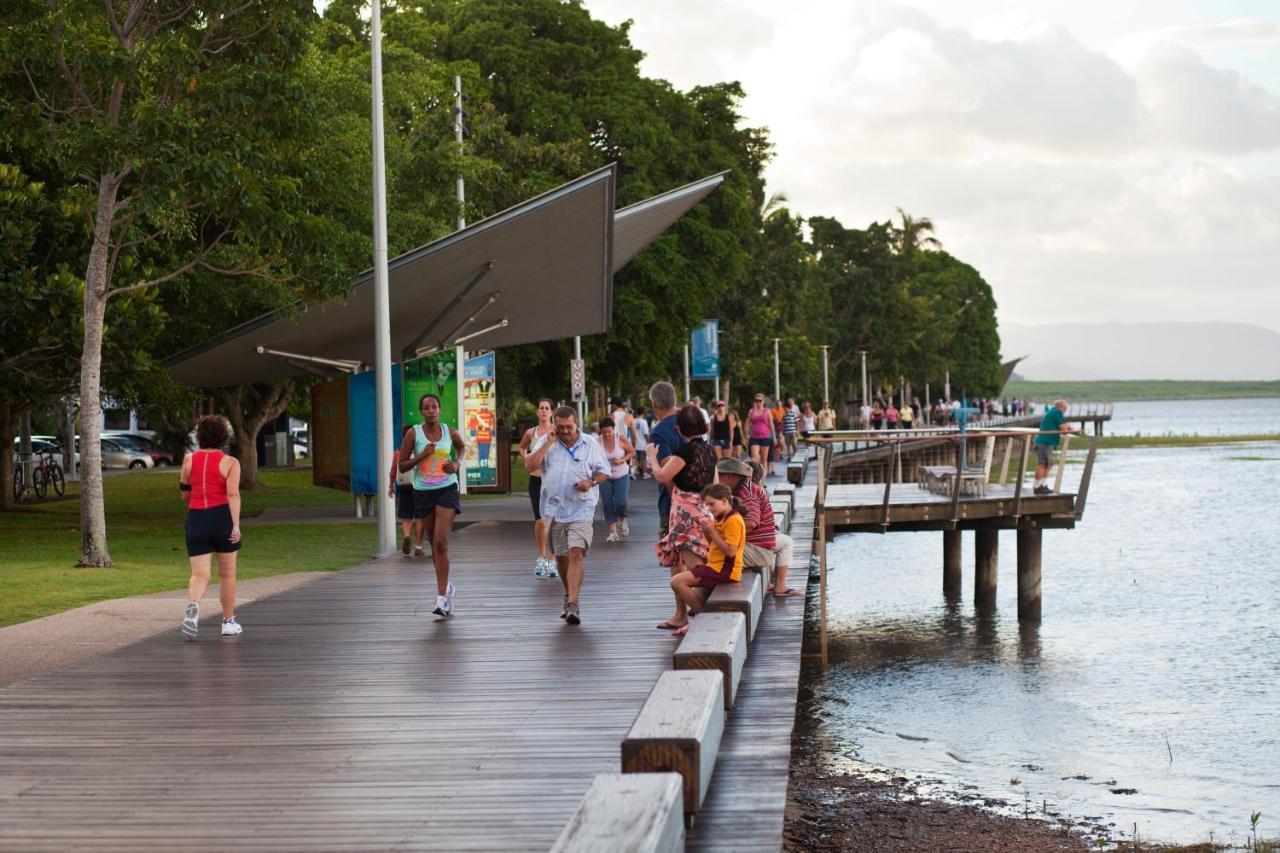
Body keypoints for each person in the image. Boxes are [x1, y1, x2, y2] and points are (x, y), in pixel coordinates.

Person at [523, 406, 610, 624]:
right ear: (554, 425)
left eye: (569, 427)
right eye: (560, 427)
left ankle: (573, 603)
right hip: (554, 509)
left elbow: (603, 471)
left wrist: (591, 482)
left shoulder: (589, 443)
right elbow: (529, 465)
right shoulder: (547, 441)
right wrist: (548, 443)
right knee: (560, 557)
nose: (565, 431)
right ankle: (568, 594)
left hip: (582, 506)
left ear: (576, 424)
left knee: (575, 553)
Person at [647, 404, 716, 631]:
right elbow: (714, 483)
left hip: (687, 516)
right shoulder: (709, 450)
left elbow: (662, 476)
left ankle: (704, 620)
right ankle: (686, 615)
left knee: (693, 570)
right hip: (702, 509)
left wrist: (652, 458)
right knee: (695, 564)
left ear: (680, 429)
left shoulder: (685, 452)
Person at [398, 393, 466, 618]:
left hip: (447, 488)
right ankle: (445, 586)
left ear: (439, 409)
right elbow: (403, 465)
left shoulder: (449, 431)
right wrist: (421, 455)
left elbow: (461, 448)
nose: (431, 411)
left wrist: (456, 463)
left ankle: (441, 599)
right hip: (422, 492)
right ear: (421, 411)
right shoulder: (413, 433)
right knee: (434, 544)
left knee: (440, 542)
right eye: (426, 407)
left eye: (434, 407)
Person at [179, 415, 243, 640]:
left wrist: (195, 506)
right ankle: (228, 622)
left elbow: (185, 493)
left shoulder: (188, 460)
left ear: (200, 436)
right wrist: (235, 525)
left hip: (197, 519)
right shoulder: (231, 463)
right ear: (224, 436)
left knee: (199, 574)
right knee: (227, 574)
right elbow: (233, 495)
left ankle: (193, 606)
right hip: (222, 519)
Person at [669, 483, 746, 637]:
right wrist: (707, 532)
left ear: (725, 500)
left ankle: (704, 617)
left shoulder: (733, 520)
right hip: (716, 565)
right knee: (688, 585)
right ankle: (701, 617)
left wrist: (712, 532)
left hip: (725, 569)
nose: (709, 508)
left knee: (677, 582)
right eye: (707, 505)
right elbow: (714, 546)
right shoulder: (721, 517)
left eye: (712, 504)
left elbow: (731, 552)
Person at [738, 458, 799, 596]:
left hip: (749, 538)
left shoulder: (745, 490)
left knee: (772, 540)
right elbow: (753, 521)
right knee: (786, 542)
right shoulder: (752, 491)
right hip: (749, 540)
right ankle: (780, 586)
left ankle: (769, 583)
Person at [519, 399, 557, 578]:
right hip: (536, 480)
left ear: (551, 412)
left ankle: (552, 560)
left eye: (547, 408)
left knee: (552, 522)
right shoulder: (531, 432)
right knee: (540, 521)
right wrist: (527, 459)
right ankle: (541, 557)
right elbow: (522, 447)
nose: (543, 411)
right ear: (537, 412)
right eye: (541, 408)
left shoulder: (556, 431)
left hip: (552, 482)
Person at [647, 381, 684, 539]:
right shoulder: (690, 423)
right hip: (700, 501)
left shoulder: (659, 432)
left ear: (654, 403)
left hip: (675, 504)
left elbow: (669, 474)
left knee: (676, 559)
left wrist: (677, 505)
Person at [596, 417, 634, 542]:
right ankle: (613, 532)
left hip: (621, 474)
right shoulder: (597, 441)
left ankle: (622, 519)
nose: (607, 434)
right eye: (604, 432)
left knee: (621, 502)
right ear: (600, 431)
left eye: (609, 432)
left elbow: (631, 452)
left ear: (613, 430)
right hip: (604, 476)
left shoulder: (620, 438)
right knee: (607, 504)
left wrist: (622, 459)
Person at [1034, 399, 1079, 494]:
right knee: (1043, 464)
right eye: (1065, 409)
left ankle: (1042, 485)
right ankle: (1038, 486)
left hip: (1044, 442)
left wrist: (1066, 426)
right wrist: (1072, 429)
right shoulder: (1057, 412)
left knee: (1048, 464)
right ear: (1061, 407)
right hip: (1045, 442)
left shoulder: (1051, 411)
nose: (1065, 412)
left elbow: (1061, 426)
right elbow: (1064, 430)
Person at [388, 424, 416, 555]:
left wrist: (390, 486)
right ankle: (419, 545)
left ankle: (406, 535)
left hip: (404, 486)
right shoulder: (419, 451)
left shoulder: (398, 452)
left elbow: (394, 471)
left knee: (406, 515)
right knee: (421, 515)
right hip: (419, 486)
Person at [746, 394, 775, 478]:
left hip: (765, 437)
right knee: (754, 458)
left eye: (760, 401)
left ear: (763, 402)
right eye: (756, 400)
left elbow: (771, 424)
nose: (758, 402)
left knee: (764, 459)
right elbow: (747, 423)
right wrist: (746, 435)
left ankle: (763, 479)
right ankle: (755, 477)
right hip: (754, 437)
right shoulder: (751, 411)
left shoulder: (767, 411)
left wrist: (774, 437)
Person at [631, 406, 650, 479]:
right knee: (643, 459)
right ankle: (644, 473)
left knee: (635, 459)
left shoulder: (633, 420)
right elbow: (646, 433)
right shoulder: (644, 422)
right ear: (643, 413)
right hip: (642, 443)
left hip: (634, 443)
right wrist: (649, 442)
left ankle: (633, 473)